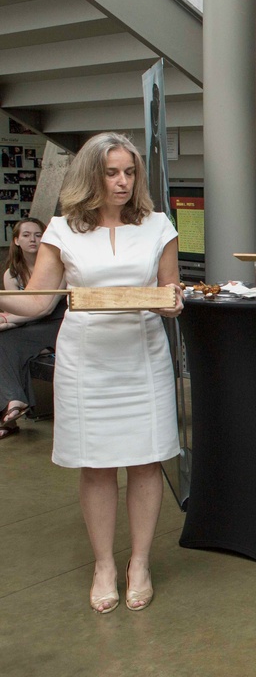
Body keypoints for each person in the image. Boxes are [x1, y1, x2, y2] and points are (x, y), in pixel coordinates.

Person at [0, 133, 184, 614]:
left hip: (142, 355)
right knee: (97, 464)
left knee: (146, 460)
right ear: (90, 176)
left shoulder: (159, 226)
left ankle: (139, 562)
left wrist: (173, 302)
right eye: (112, 172)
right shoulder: (62, 230)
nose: (123, 182)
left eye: (129, 172)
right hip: (86, 360)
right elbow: (40, 300)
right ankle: (104, 563)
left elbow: (170, 293)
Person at [0, 218, 67, 441]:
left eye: (38, 235)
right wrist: (8, 319)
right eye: (27, 235)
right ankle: (12, 407)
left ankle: (12, 406)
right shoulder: (11, 274)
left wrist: (8, 322)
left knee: (6, 341)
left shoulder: (59, 266)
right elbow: (19, 309)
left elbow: (45, 308)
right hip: (29, 325)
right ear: (17, 240)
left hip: (56, 323)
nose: (33, 240)